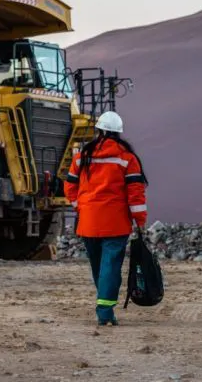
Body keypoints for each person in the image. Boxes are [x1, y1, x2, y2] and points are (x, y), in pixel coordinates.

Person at [64, 111, 148, 326]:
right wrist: (140, 220)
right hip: (115, 223)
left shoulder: (82, 156)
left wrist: (80, 207)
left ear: (99, 130)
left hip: (89, 223)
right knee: (110, 266)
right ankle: (104, 311)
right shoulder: (127, 158)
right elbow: (135, 194)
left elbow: (69, 186)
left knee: (99, 267)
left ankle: (106, 307)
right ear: (119, 133)